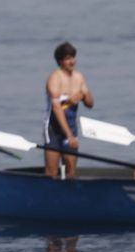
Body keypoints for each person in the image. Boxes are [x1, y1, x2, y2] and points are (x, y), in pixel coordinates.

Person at [42, 43, 93, 179]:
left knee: (71, 173)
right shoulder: (55, 78)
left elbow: (90, 104)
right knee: (51, 173)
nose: (72, 61)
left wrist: (84, 95)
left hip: (71, 128)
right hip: (53, 130)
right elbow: (57, 108)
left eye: (73, 57)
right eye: (68, 58)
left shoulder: (79, 77)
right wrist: (68, 134)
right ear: (60, 61)